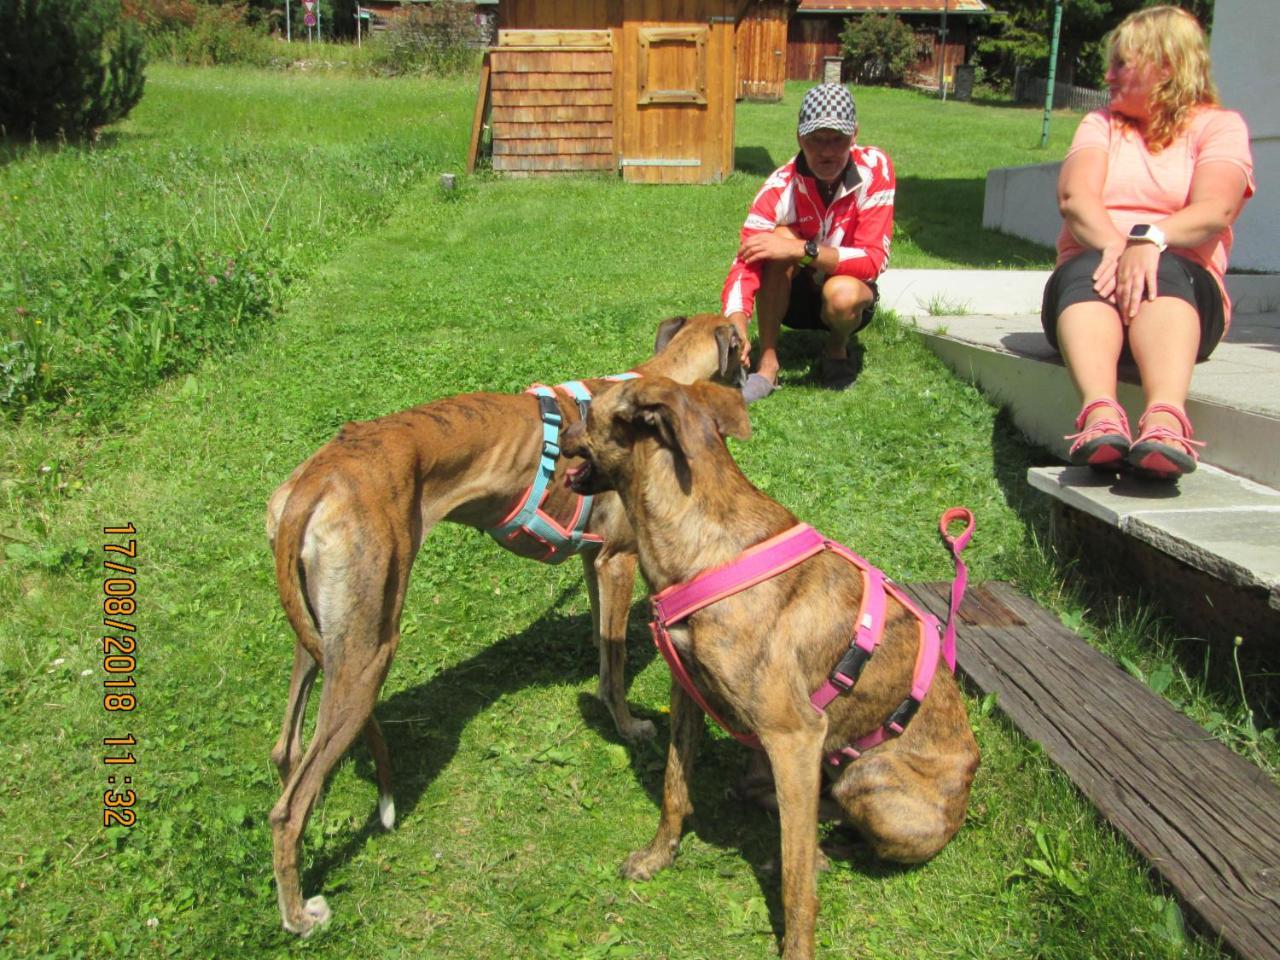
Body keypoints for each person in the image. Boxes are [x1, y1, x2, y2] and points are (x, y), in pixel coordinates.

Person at [1042, 5, 1254, 480]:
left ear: (1167, 65)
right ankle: (1100, 417)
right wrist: (1119, 248)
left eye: (1122, 63)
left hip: (1182, 300)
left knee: (1165, 267)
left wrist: (1150, 239)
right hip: (1091, 284)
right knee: (1083, 267)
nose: (1107, 74)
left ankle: (1164, 422)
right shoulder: (1101, 124)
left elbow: (1214, 210)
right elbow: (1077, 199)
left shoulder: (1219, 127)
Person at [722, 83, 895, 401]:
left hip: (848, 294)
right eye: (816, 140)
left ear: (854, 135)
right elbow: (745, 261)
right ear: (800, 137)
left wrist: (802, 249)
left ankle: (836, 347)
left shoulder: (876, 169)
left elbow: (874, 260)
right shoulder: (779, 185)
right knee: (776, 239)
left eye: (837, 140)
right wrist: (736, 325)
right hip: (793, 298)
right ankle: (768, 362)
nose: (827, 151)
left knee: (838, 292)